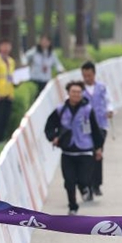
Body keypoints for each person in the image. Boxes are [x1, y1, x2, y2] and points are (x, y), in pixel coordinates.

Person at [44, 81, 104, 215]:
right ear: (68, 93)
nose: (76, 95)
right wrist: (53, 137)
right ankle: (72, 206)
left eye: (78, 92)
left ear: (82, 93)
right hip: (67, 151)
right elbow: (49, 126)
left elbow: (95, 130)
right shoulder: (60, 110)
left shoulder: (88, 110)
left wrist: (99, 148)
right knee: (69, 181)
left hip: (85, 150)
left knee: (84, 179)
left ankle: (84, 188)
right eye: (73, 92)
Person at [81, 61, 113, 198]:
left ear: (94, 74)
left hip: (101, 126)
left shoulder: (102, 88)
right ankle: (87, 185)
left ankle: (96, 184)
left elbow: (109, 101)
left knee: (98, 153)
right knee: (88, 156)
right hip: (85, 128)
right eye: (84, 76)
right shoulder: (79, 89)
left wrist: (110, 110)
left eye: (89, 75)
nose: (87, 78)